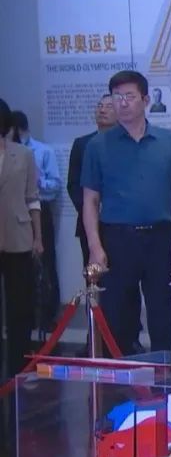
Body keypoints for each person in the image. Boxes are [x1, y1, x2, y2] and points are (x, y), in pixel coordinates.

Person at [82, 70, 171, 354]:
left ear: (145, 99)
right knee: (117, 316)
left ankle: (167, 374)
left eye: (129, 96)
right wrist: (95, 246)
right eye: (117, 97)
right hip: (118, 239)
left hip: (163, 239)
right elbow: (90, 200)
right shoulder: (98, 146)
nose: (122, 103)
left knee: (164, 314)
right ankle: (120, 375)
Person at [0, 98, 44, 378]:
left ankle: (19, 366)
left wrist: (38, 237)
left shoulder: (23, 154)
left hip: (18, 235)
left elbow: (32, 198)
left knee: (19, 306)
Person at [10, 110, 62, 328]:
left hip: (40, 209)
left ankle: (49, 315)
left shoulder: (42, 151)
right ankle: (25, 315)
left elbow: (55, 186)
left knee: (45, 262)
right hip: (13, 213)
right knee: (19, 266)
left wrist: (37, 181)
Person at [69, 94, 117, 266]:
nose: (102, 110)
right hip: (89, 223)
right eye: (100, 106)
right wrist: (90, 209)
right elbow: (73, 184)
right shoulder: (82, 144)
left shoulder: (125, 143)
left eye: (109, 107)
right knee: (93, 272)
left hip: (119, 223)